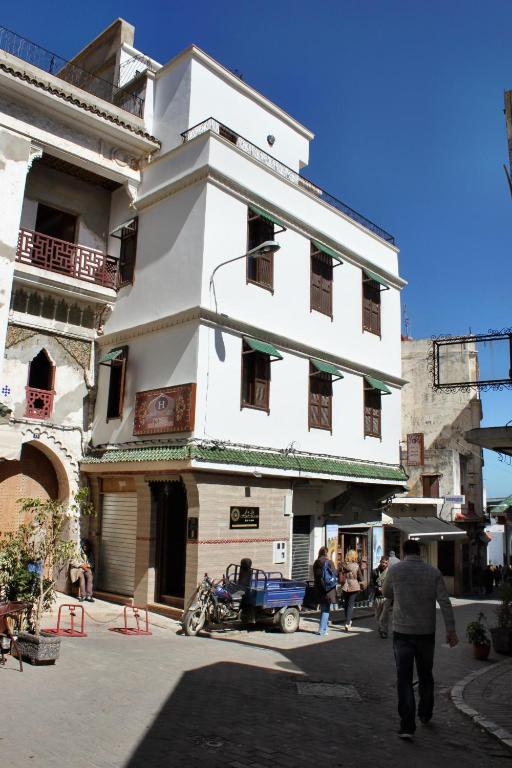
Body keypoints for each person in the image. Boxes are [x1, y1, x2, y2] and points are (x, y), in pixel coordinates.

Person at [383, 539, 458, 740]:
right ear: (420, 553)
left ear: (404, 552)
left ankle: (407, 725)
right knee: (426, 674)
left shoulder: (396, 571)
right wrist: (451, 630)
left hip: (402, 632)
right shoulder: (433, 572)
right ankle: (425, 712)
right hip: (426, 632)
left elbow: (386, 592)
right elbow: (445, 601)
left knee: (404, 677)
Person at [313, 546, 337, 636]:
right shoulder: (329, 562)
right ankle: (322, 630)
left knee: (323, 609)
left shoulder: (316, 563)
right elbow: (334, 574)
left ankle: (324, 628)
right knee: (326, 610)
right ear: (327, 553)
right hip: (328, 589)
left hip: (319, 589)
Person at [339, 549, 364, 632]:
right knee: (350, 605)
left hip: (345, 586)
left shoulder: (343, 564)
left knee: (346, 604)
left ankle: (348, 621)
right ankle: (347, 622)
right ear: (354, 557)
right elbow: (361, 578)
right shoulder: (356, 566)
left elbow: (338, 573)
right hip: (354, 586)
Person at [70, 539, 95, 603]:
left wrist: (86, 566)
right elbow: (72, 562)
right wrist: (81, 565)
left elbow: (92, 564)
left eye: (87, 546)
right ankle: (83, 595)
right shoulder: (77, 552)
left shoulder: (90, 553)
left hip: (86, 568)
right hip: (77, 568)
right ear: (82, 546)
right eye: (84, 546)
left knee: (90, 576)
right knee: (81, 577)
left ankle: (89, 595)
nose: (86, 548)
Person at [371, 555, 390, 638]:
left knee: (385, 615)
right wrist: (377, 588)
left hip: (387, 597)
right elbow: (371, 584)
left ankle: (384, 631)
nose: (384, 564)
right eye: (383, 562)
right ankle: (381, 627)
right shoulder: (374, 572)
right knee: (378, 616)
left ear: (388, 563)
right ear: (380, 562)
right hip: (377, 597)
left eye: (386, 563)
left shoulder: (390, 573)